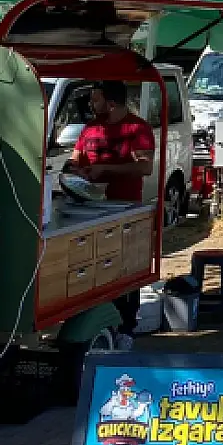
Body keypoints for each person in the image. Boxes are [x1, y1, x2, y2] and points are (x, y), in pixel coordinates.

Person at [68, 80, 155, 340]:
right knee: (95, 267)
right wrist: (75, 171)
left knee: (124, 269)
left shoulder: (137, 128)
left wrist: (106, 170)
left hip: (125, 208)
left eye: (95, 100)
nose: (91, 106)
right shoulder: (91, 128)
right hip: (88, 208)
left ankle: (126, 325)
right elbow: (75, 158)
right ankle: (97, 317)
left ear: (112, 102)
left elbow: (145, 167)